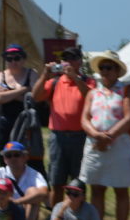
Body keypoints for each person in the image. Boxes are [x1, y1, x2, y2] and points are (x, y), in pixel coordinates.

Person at [78, 50, 130, 220]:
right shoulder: (93, 92)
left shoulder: (127, 90)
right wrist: (96, 135)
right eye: (103, 68)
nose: (105, 71)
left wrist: (109, 137)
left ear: (117, 70)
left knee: (121, 190)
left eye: (110, 67)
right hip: (95, 144)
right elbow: (84, 118)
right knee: (97, 189)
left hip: (119, 146)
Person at [32, 46, 94, 206]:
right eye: (65, 59)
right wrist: (45, 75)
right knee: (57, 181)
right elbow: (36, 96)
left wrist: (76, 78)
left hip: (80, 136)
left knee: (79, 181)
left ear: (80, 61)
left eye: (73, 58)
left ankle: (79, 217)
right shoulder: (55, 82)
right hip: (58, 137)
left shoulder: (88, 81)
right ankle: (55, 217)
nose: (69, 62)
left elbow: (91, 97)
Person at [0, 44, 40, 167]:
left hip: (25, 121)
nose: (13, 62)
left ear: (23, 59)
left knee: (26, 154)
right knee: (5, 153)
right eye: (9, 59)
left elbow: (34, 97)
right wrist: (23, 90)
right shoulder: (1, 75)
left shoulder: (31, 73)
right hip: (6, 120)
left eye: (17, 58)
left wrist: (8, 95)